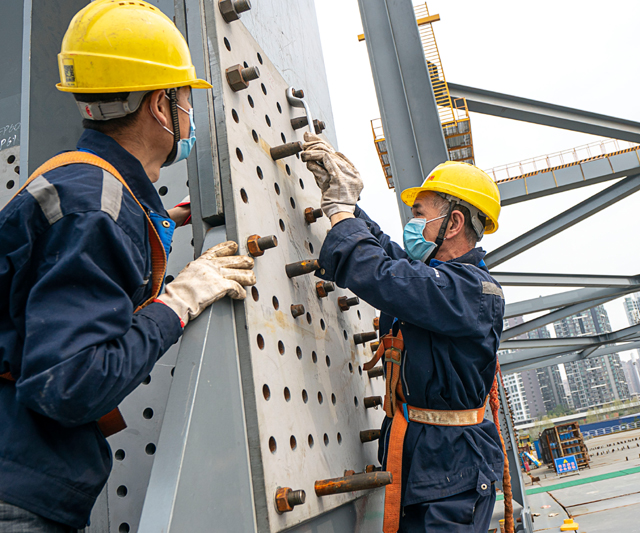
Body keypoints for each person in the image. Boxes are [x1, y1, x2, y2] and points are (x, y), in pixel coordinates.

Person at [0, 2, 255, 531]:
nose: (190, 112)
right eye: (186, 97)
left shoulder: (83, 182)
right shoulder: (99, 210)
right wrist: (178, 302)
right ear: (161, 104)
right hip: (18, 489)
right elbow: (72, 385)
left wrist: (154, 224)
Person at [301, 134, 507, 532]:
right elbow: (389, 257)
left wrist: (341, 213)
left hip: (453, 469)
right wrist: (348, 201)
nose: (412, 225)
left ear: (453, 224)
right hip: (429, 459)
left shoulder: (474, 292)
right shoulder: (439, 280)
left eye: (419, 215)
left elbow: (385, 276)